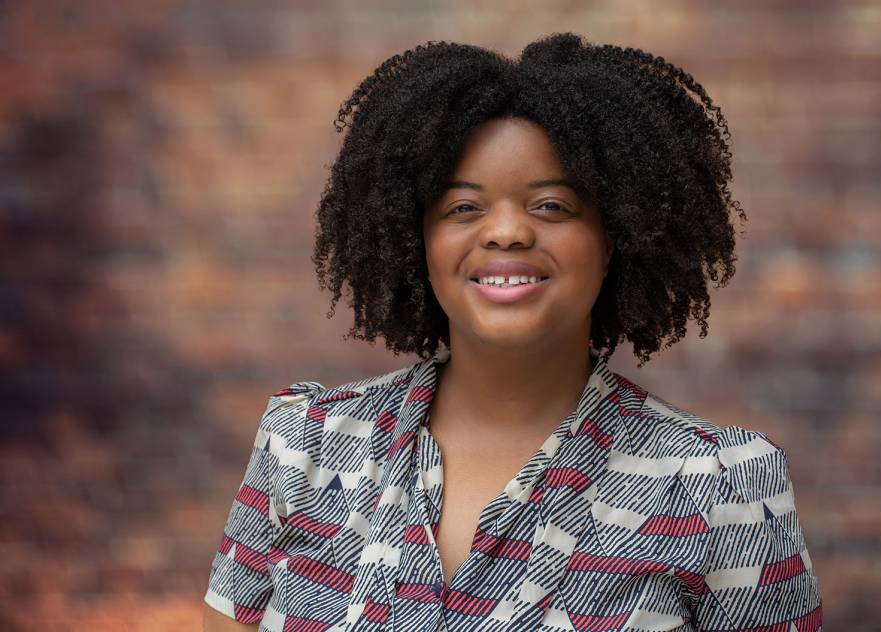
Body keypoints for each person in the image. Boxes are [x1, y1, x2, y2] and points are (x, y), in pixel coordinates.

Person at [203, 32, 823, 632]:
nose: (506, 232)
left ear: (614, 241)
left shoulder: (723, 485)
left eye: (551, 206)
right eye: (462, 208)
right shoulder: (301, 445)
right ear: (415, 240)